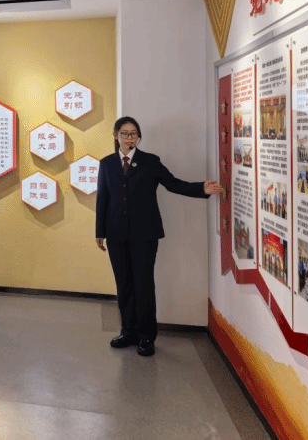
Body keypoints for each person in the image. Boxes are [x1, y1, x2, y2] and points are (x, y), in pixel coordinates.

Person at [95, 116, 222, 357]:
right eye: (125, 133)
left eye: (134, 133)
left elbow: (172, 184)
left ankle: (146, 336)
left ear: (138, 136)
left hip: (144, 234)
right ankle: (128, 331)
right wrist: (99, 231)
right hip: (116, 234)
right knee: (124, 284)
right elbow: (103, 198)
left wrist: (200, 189)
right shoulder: (107, 164)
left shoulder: (149, 162)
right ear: (116, 136)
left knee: (143, 285)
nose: (129, 137)